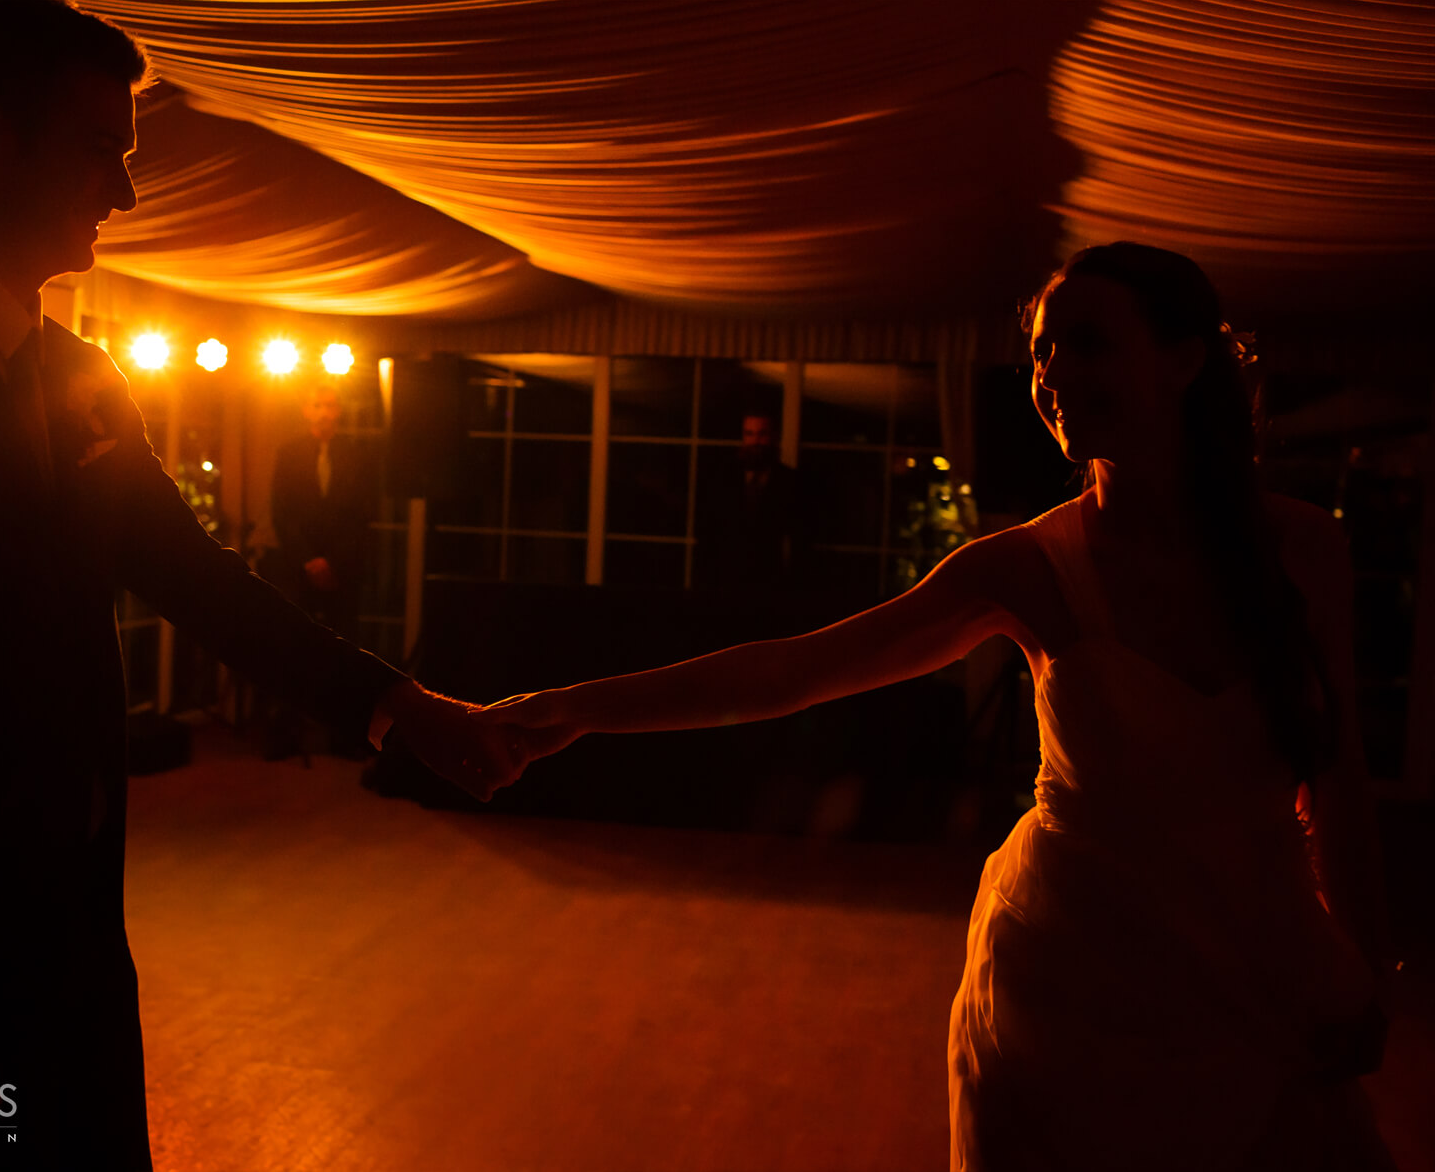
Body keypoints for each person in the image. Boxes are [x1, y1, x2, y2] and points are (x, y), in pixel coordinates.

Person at [0, 2, 523, 1168]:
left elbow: (193, 576)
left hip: (66, 931)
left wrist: (396, 705)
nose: (124, 194)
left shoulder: (81, 377)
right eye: (101, 150)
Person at [478, 243, 1398, 1170]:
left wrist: (1363, 968)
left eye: (1087, 344)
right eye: (1041, 353)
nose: (1053, 376)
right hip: (1080, 989)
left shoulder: (1303, 548)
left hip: (1263, 973)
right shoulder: (1027, 569)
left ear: (1184, 359)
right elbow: (795, 670)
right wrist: (564, 708)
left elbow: (1340, 780)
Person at [264, 384, 378, 757]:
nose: (326, 412)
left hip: (344, 568)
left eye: (331, 405)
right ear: (305, 409)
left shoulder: (358, 455)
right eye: (318, 404)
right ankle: (287, 731)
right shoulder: (289, 453)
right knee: (292, 644)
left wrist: (333, 562)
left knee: (345, 650)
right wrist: (309, 560)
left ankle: (344, 734)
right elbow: (283, 513)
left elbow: (361, 516)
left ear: (339, 411)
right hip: (300, 567)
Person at [693, 407, 811, 588]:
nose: (755, 441)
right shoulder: (723, 479)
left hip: (771, 582)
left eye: (762, 434)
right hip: (725, 581)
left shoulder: (790, 481)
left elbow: (800, 538)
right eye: (750, 434)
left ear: (773, 436)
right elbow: (708, 532)